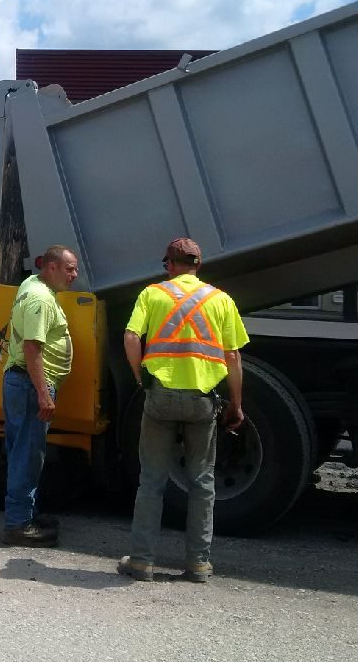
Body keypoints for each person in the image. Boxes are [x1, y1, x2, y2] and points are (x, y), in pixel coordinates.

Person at [118, 237, 247, 583]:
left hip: (160, 397)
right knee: (203, 482)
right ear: (198, 265)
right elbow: (233, 357)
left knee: (152, 481)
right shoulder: (221, 300)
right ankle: (198, 564)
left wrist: (139, 377)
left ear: (170, 264)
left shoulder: (152, 294)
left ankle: (142, 561)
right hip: (203, 399)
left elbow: (131, 337)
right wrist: (236, 404)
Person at [2, 244, 79, 547]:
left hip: (22, 384)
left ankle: (27, 514)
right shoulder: (39, 299)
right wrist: (44, 394)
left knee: (23, 452)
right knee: (27, 456)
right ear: (51, 268)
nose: (75, 274)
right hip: (29, 385)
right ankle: (18, 524)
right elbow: (32, 348)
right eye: (69, 268)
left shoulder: (32, 283)